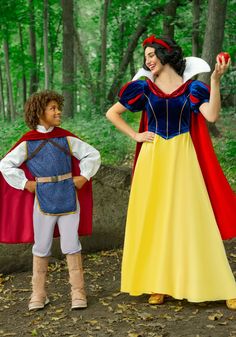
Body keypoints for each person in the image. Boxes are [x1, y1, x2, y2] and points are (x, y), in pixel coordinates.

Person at [106, 35, 236, 310]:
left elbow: (211, 116)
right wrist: (136, 135)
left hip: (183, 156)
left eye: (152, 55)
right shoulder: (142, 89)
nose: (148, 60)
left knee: (193, 219)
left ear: (166, 56)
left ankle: (219, 284)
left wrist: (214, 80)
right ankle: (158, 284)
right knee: (155, 219)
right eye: (146, 56)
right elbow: (112, 113)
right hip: (153, 160)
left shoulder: (193, 88)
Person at [0, 90, 101, 311]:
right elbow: (6, 164)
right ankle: (38, 293)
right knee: (42, 244)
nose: (58, 111)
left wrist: (84, 176)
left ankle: (78, 292)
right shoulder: (28, 143)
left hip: (68, 195)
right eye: (52, 108)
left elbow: (91, 154)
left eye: (58, 107)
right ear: (39, 113)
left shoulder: (65, 138)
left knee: (71, 244)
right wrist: (26, 183)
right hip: (42, 199)